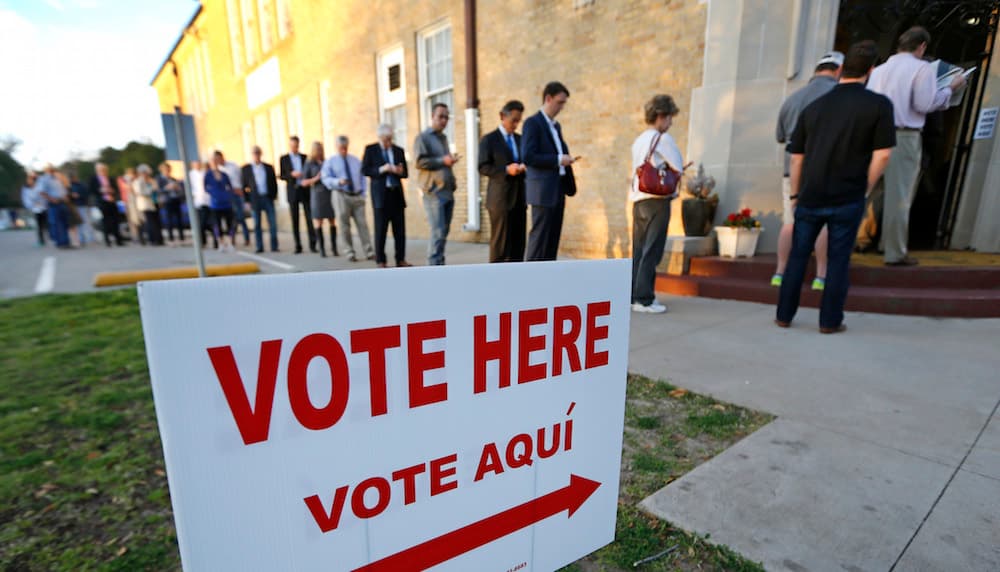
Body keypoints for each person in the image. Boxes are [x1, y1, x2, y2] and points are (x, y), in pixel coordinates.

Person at [776, 40, 895, 333]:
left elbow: (797, 158)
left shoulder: (814, 108)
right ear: (871, 70)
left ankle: (784, 315)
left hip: (811, 194)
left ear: (842, 70)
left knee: (798, 256)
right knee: (838, 260)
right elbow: (883, 155)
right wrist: (865, 187)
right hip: (848, 194)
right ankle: (829, 321)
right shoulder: (879, 106)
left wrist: (795, 194)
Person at [866, 26, 966, 267]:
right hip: (904, 136)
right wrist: (950, 88)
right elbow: (925, 104)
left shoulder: (879, 71)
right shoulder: (922, 69)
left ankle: (847, 242)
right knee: (899, 197)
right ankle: (894, 251)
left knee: (867, 191)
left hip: (874, 134)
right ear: (922, 47)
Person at [773, 52, 843, 290]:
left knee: (790, 222)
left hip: (791, 170)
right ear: (838, 70)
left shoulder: (792, 99)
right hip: (823, 170)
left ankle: (780, 272)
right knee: (823, 224)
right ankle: (821, 276)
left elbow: (780, 136)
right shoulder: (836, 97)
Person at [630, 95, 687, 314]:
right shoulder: (663, 139)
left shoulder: (639, 140)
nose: (670, 123)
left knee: (639, 250)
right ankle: (644, 298)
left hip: (639, 199)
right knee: (652, 250)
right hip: (657, 200)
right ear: (661, 116)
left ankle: (633, 295)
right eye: (670, 117)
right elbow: (678, 166)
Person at [522, 81, 578, 261]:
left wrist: (565, 160)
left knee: (552, 240)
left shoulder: (556, 126)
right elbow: (528, 156)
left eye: (564, 103)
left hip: (558, 188)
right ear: (548, 98)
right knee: (539, 240)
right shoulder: (532, 123)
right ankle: (531, 276)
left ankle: (549, 276)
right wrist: (558, 160)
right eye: (559, 102)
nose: (562, 107)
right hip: (542, 191)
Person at [479, 100, 527, 263]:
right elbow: (483, 167)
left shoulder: (521, 139)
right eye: (513, 120)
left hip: (519, 198)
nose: (516, 124)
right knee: (500, 245)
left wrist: (524, 167)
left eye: (518, 121)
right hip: (500, 200)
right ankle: (495, 276)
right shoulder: (489, 140)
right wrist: (506, 170)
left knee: (518, 245)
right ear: (502, 116)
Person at [414, 103, 458, 265]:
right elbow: (419, 162)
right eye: (440, 116)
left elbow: (443, 163)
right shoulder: (423, 137)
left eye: (446, 117)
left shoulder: (443, 138)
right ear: (432, 116)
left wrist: (449, 162)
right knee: (437, 232)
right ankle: (432, 269)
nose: (444, 120)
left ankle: (439, 266)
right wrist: (442, 160)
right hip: (433, 192)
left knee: (443, 232)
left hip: (447, 190)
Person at [362, 124, 411, 268]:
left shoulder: (398, 150)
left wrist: (398, 171)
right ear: (379, 138)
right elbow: (364, 170)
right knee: (380, 230)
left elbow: (405, 173)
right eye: (385, 139)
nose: (388, 142)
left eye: (390, 139)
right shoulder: (371, 150)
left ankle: (400, 259)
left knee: (400, 230)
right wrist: (382, 169)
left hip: (396, 195)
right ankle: (381, 260)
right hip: (380, 197)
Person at [328, 136, 375, 263]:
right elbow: (325, 178)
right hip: (341, 195)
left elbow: (362, 177)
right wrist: (337, 181)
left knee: (362, 224)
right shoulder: (331, 161)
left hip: (357, 196)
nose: (343, 150)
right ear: (336, 147)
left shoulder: (355, 160)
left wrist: (363, 193)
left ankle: (369, 251)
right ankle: (349, 252)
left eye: (345, 148)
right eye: (341, 148)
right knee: (344, 225)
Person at [279, 135, 316, 254]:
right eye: (292, 146)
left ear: (298, 145)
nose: (294, 148)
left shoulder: (305, 157)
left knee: (309, 218)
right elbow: (282, 175)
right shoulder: (284, 159)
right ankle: (298, 245)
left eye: (296, 146)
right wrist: (291, 174)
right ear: (289, 146)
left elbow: (310, 172)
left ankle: (313, 244)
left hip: (304, 190)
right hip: (292, 191)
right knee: (295, 219)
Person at [241, 146, 280, 253]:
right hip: (255, 199)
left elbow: (274, 183)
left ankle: (274, 246)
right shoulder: (246, 169)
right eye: (254, 153)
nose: (256, 155)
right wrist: (247, 201)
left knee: (272, 223)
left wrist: (274, 196)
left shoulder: (268, 167)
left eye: (258, 153)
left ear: (260, 154)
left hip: (267, 197)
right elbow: (243, 186)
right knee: (257, 224)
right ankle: (259, 246)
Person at [301, 141, 335, 257]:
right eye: (318, 149)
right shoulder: (309, 164)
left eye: (321, 149)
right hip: (317, 194)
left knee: (332, 220)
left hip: (328, 194)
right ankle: (322, 249)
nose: (320, 151)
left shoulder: (326, 162)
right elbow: (303, 182)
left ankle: (334, 248)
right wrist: (316, 178)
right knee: (318, 221)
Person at [215, 150, 250, 247]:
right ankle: (232, 238)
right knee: (233, 218)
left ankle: (246, 238)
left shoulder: (233, 165)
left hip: (239, 194)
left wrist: (242, 190)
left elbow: (241, 178)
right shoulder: (218, 170)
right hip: (228, 196)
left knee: (241, 217)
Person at [204, 160, 237, 251]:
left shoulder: (224, 174)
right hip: (215, 204)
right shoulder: (208, 175)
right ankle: (220, 243)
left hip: (226, 203)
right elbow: (206, 188)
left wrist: (228, 195)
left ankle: (230, 242)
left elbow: (230, 186)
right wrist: (214, 194)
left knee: (231, 223)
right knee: (217, 224)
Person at [36, 165, 71, 248]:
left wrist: (66, 196)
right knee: (57, 223)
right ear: (46, 170)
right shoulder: (44, 179)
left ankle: (66, 242)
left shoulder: (57, 178)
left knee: (65, 223)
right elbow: (41, 191)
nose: (52, 170)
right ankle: (61, 243)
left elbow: (63, 189)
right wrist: (52, 199)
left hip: (63, 202)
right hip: (54, 204)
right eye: (50, 169)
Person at [90, 163, 124, 247]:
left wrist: (112, 191)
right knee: (105, 221)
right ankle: (107, 240)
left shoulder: (110, 178)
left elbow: (116, 189)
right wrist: (100, 191)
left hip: (112, 201)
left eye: (104, 169)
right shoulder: (94, 179)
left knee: (115, 221)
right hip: (102, 202)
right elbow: (92, 190)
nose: (103, 171)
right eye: (101, 170)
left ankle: (118, 240)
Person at [133, 164, 163, 245]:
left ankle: (159, 239)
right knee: (151, 222)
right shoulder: (138, 182)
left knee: (157, 221)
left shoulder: (151, 180)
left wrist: (159, 199)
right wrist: (152, 188)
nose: (146, 174)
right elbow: (140, 193)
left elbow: (158, 191)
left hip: (155, 202)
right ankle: (153, 239)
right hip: (146, 204)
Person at [189, 160, 216, 249]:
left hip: (208, 201)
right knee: (201, 223)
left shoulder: (205, 173)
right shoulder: (190, 174)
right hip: (198, 202)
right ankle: (203, 241)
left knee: (208, 222)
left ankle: (216, 240)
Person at [157, 162, 185, 246]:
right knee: (169, 219)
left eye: (169, 169)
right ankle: (171, 238)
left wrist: (177, 188)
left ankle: (181, 237)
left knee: (179, 219)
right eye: (166, 169)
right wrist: (167, 188)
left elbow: (180, 190)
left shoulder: (173, 179)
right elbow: (158, 190)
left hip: (176, 200)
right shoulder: (159, 179)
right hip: (167, 201)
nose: (168, 171)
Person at [21, 172, 47, 246]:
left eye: (31, 180)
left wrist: (37, 175)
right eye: (28, 180)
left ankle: (52, 237)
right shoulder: (25, 189)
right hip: (36, 210)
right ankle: (41, 241)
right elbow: (26, 200)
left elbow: (44, 181)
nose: (29, 182)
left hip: (45, 207)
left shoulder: (40, 186)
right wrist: (33, 204)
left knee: (48, 224)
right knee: (39, 226)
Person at [69, 173, 94, 246]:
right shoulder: (70, 186)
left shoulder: (81, 185)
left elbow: (86, 194)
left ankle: (90, 237)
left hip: (82, 205)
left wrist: (79, 196)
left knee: (86, 222)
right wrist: (72, 196)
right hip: (74, 206)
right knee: (78, 223)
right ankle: (81, 238)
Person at [118, 167, 142, 244]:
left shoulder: (136, 179)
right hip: (128, 202)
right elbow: (127, 187)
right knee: (131, 220)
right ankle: (135, 236)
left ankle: (141, 235)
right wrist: (131, 182)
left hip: (137, 202)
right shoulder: (122, 179)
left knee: (140, 219)